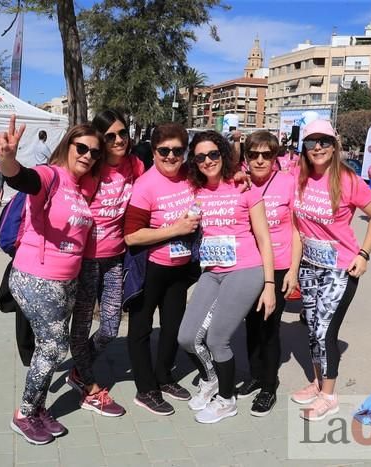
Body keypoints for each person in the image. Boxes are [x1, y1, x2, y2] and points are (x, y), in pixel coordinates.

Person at [0, 115, 103, 445]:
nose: (87, 154)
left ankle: (40, 408)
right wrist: (8, 159)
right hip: (34, 277)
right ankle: (25, 413)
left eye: (94, 152)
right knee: (54, 347)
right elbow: (23, 179)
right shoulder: (51, 176)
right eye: (81, 147)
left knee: (48, 347)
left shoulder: (80, 189)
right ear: (67, 146)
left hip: (65, 282)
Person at [177, 130, 275, 424]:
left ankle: (227, 400)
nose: (208, 161)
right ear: (194, 162)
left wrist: (269, 285)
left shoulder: (244, 188)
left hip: (245, 270)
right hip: (212, 271)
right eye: (200, 157)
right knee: (186, 337)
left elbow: (264, 238)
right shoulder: (195, 191)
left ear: (223, 153)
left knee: (218, 339)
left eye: (213, 154)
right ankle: (211, 379)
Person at [290, 119, 371, 421]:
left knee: (324, 330)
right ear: (303, 146)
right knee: (312, 328)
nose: (318, 147)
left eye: (324, 141)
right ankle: (317, 383)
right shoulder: (296, 176)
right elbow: (294, 225)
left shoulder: (347, 180)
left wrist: (364, 253)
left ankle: (329, 395)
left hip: (340, 268)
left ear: (334, 145)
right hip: (309, 266)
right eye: (311, 141)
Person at [66, 109, 144, 417]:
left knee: (110, 327)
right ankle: (88, 384)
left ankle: (78, 370)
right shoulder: (90, 171)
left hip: (115, 258)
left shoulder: (134, 164)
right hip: (85, 260)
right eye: (110, 135)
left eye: (122, 133)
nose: (118, 140)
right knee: (82, 323)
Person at [124, 123, 201, 415]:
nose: (170, 156)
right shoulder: (145, 185)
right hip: (151, 268)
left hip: (180, 268)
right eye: (164, 151)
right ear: (154, 151)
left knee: (172, 327)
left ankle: (164, 376)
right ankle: (145, 389)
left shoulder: (190, 176)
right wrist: (175, 229)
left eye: (177, 151)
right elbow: (132, 235)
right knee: (141, 329)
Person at [237, 130, 301, 417]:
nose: (260, 160)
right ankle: (254, 374)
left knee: (269, 325)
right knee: (251, 323)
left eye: (267, 155)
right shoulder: (239, 182)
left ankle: (268, 386)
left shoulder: (288, 183)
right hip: (248, 265)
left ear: (276, 157)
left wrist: (294, 271)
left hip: (279, 265)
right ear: (246, 157)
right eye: (254, 155)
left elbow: (298, 229)